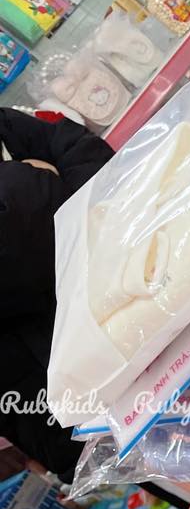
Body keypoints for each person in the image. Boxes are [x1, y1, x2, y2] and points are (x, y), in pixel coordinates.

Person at [0, 108, 112, 479]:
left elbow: (77, 145)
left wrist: (46, 182)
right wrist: (41, 174)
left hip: (131, 317)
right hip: (66, 414)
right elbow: (23, 239)